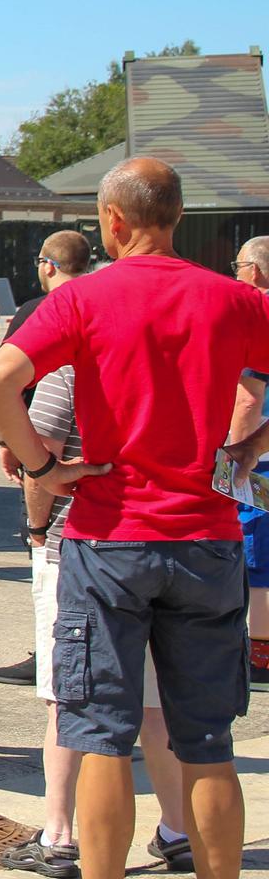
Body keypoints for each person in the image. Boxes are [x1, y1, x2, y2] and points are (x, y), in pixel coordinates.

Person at [0, 158, 264, 879]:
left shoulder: (83, 299)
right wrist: (248, 448)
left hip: (109, 538)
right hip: (207, 540)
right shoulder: (235, 300)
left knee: (101, 734)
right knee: (206, 741)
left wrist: (43, 467)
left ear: (112, 222)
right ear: (177, 217)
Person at [1, 306, 193, 877]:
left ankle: (59, 836)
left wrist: (37, 532)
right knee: (156, 705)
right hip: (172, 545)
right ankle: (179, 829)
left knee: (71, 697)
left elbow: (46, 458)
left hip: (80, 546)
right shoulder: (178, 370)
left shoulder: (70, 372)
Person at [0, 232, 91, 688]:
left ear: (47, 264)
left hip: (46, 441)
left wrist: (13, 444)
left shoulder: (39, 311)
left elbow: (4, 383)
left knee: (46, 564)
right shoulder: (98, 301)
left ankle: (47, 653)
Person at [224, 234, 269, 692]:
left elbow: (247, 399)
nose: (234, 272)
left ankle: (261, 653)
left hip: (261, 459)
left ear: (254, 270)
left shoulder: (259, 316)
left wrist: (238, 455)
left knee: (258, 560)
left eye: (237, 265)